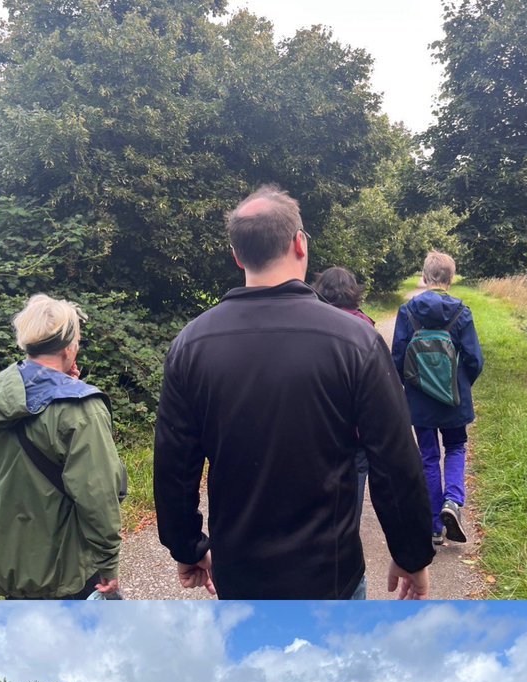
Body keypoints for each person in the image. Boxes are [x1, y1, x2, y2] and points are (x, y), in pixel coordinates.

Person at [154, 187, 433, 600]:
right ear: (299, 244)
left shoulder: (191, 344)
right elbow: (394, 459)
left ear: (237, 255)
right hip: (330, 578)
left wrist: (188, 546)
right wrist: (411, 555)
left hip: (240, 576)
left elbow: (175, 464)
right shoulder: (354, 339)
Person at [0, 294, 124, 599]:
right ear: (69, 347)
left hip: (7, 561)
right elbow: (98, 494)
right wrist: (109, 563)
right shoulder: (81, 409)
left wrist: (68, 384)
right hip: (63, 568)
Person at [390, 251, 484, 546]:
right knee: (456, 446)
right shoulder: (461, 313)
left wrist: (410, 387)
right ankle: (452, 501)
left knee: (428, 457)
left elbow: (398, 358)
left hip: (420, 400)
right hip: (454, 398)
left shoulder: (408, 312)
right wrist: (462, 384)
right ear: (451, 279)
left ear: (425, 276)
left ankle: (433, 527)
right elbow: (474, 359)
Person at [314, 266, 374, 526]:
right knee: (357, 479)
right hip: (356, 429)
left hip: (318, 425)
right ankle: (348, 532)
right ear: (353, 292)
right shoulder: (364, 326)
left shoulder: (311, 323)